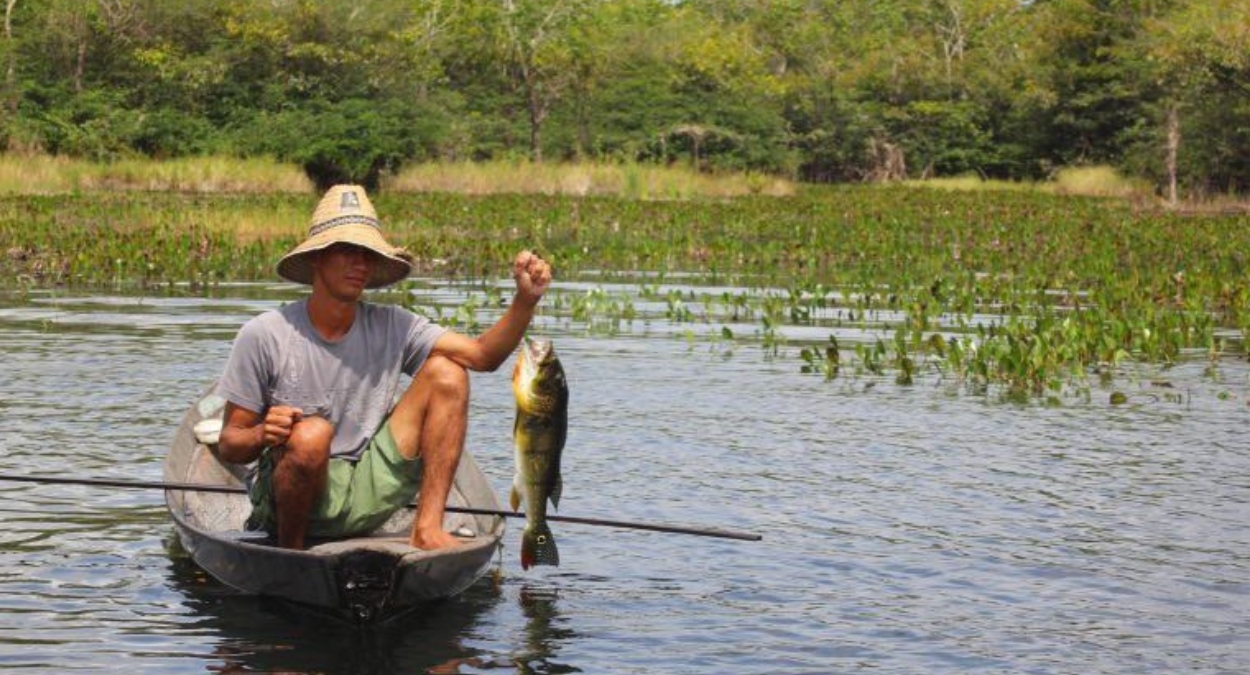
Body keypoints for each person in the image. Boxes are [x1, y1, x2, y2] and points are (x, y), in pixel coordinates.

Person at [215, 184, 551, 551]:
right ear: (316, 258)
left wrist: (524, 301)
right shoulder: (265, 334)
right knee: (311, 436)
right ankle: (291, 552)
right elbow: (231, 445)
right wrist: (263, 432)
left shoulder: (393, 324)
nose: (359, 263)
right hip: (294, 495)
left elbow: (482, 356)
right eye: (346, 250)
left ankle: (427, 528)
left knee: (448, 372)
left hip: (368, 485)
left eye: (367, 253)